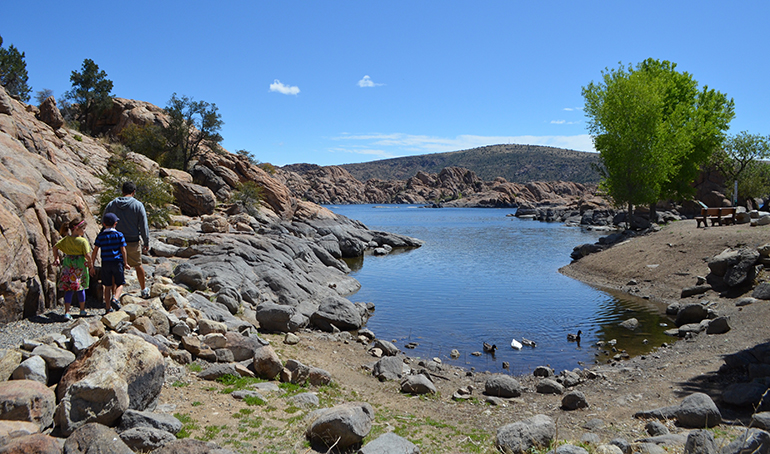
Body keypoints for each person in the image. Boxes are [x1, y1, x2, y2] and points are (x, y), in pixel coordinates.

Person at [104, 181, 151, 298]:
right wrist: (146, 241)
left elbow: (104, 220)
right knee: (138, 265)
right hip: (133, 241)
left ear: (122, 191)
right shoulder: (138, 205)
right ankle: (143, 289)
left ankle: (114, 295)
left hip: (114, 241)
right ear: (134, 192)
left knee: (117, 266)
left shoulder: (112, 204)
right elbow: (143, 225)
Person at [52, 217, 93, 320]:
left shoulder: (66, 240)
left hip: (68, 264)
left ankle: (67, 312)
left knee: (68, 289)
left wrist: (56, 258)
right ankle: (82, 310)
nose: (84, 231)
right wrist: (90, 264)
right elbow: (87, 255)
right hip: (80, 266)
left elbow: (55, 247)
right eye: (83, 229)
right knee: (80, 288)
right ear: (76, 229)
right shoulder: (83, 241)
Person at [92, 212, 129, 313]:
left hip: (106, 263)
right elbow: (123, 250)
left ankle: (108, 308)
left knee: (107, 286)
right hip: (117, 262)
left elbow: (95, 250)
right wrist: (126, 263)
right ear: (115, 223)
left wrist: (92, 264)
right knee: (120, 283)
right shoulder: (119, 235)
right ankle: (115, 299)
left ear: (103, 224)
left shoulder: (101, 236)